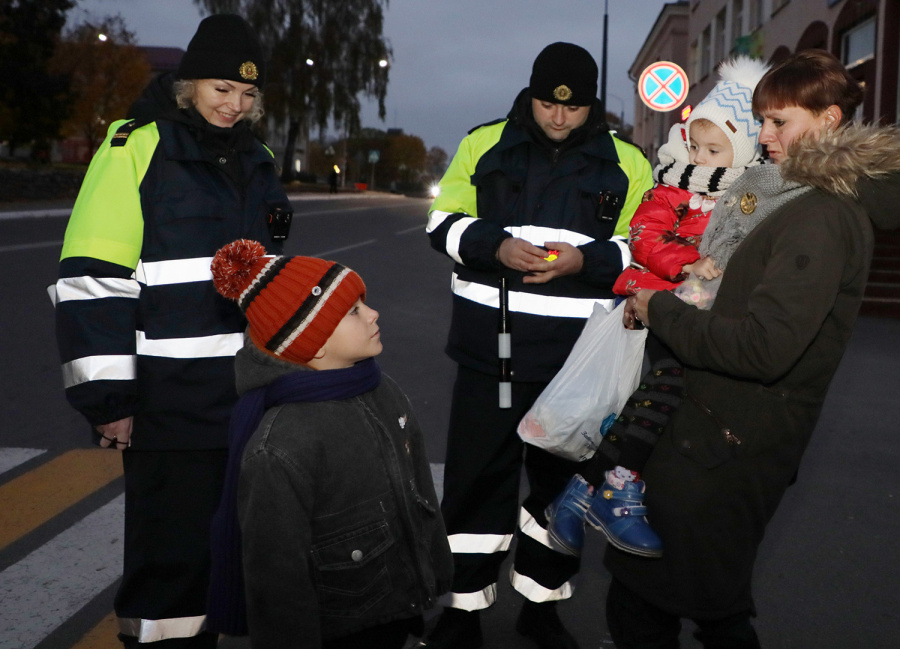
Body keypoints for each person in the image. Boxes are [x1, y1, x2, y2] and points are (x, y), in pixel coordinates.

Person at [604, 50, 900, 648]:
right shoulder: (781, 194)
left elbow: (765, 347)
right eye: (760, 121)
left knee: (666, 604)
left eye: (778, 122)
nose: (762, 136)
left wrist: (660, 307)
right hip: (714, 432)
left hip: (728, 442)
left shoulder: (820, 216)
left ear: (830, 119)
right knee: (694, 602)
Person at [52, 15, 292, 648]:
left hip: (245, 398)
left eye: (247, 95)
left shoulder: (258, 158)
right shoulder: (135, 147)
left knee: (224, 559)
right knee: (170, 565)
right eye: (221, 90)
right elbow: (93, 281)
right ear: (189, 84)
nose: (234, 105)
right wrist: (109, 402)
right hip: (168, 402)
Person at [422, 42, 653, 649]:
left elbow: (643, 249)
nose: (559, 117)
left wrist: (587, 259)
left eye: (573, 108)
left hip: (575, 363)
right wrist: (494, 246)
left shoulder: (626, 161)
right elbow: (441, 222)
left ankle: (541, 605)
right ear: (531, 94)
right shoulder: (483, 143)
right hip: (487, 352)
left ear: (590, 104)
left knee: (559, 489)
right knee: (476, 482)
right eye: (550, 104)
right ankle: (461, 610)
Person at [545, 57, 770, 559]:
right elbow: (644, 237)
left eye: (715, 149)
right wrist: (688, 264)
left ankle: (582, 491)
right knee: (666, 388)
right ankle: (618, 485)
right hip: (664, 302)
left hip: (704, 313)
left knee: (655, 396)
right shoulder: (673, 187)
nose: (700, 156)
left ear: (743, 151)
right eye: (695, 144)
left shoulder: (749, 196)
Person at [203, 239, 452, 649]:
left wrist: (435, 573)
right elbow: (276, 579)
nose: (373, 314)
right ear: (313, 342)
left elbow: (418, 490)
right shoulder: (280, 445)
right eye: (353, 311)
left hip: (398, 606)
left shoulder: (382, 389)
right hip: (342, 626)